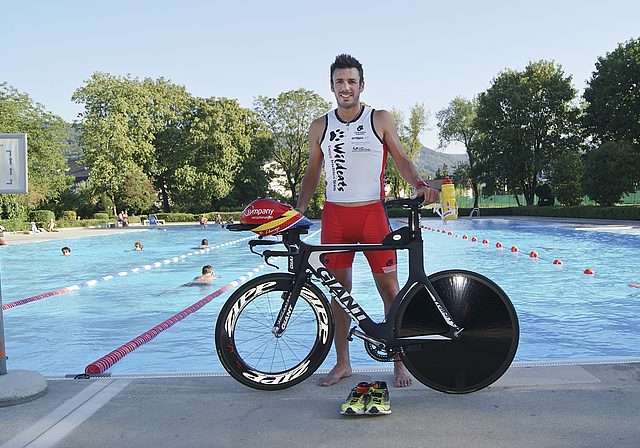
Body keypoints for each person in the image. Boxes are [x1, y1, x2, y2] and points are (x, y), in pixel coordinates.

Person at [295, 54, 439, 388]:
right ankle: (342, 364)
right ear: (331, 86)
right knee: (339, 291)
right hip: (335, 217)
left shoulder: (380, 119)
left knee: (390, 288)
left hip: (372, 214)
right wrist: (298, 211)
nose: (345, 87)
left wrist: (419, 184)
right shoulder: (320, 125)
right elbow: (312, 172)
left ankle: (399, 361)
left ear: (362, 85)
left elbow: (401, 159)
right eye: (339, 81)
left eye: (351, 81)